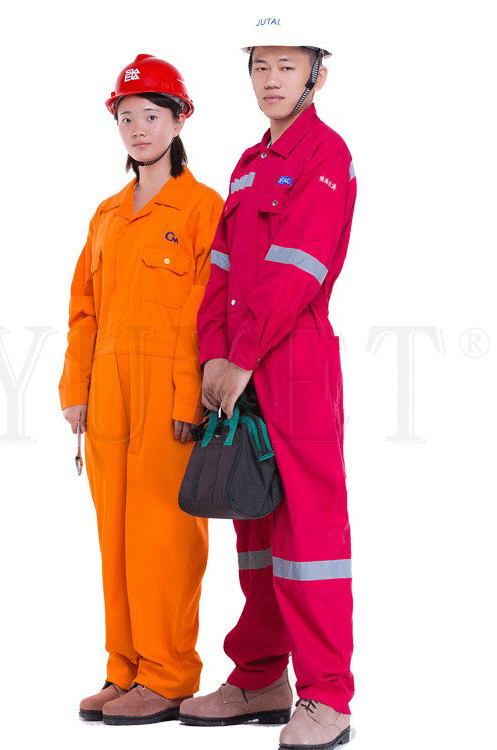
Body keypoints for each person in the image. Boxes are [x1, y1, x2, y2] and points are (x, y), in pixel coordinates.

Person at [178, 16, 357, 750]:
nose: (272, 79)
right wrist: (212, 357)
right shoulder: (249, 163)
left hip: (295, 365)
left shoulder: (326, 154)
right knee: (254, 528)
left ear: (317, 74)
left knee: (308, 534)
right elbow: (220, 270)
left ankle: (327, 695)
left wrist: (243, 354)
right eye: (261, 66)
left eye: (287, 65)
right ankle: (259, 678)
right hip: (238, 369)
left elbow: (298, 269)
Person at [58, 53, 224, 725]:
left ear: (179, 121)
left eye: (151, 116)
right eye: (126, 118)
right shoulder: (105, 215)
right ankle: (123, 669)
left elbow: (207, 311)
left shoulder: (203, 208)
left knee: (165, 537)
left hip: (167, 391)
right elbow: (84, 310)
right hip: (107, 395)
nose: (137, 129)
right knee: (117, 536)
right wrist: (76, 389)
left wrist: (190, 397)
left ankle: (169, 673)